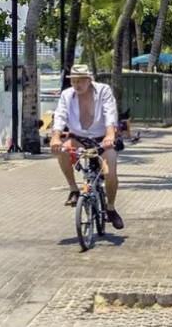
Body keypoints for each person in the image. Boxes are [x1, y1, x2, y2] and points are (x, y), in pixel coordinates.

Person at [49, 65, 125, 230]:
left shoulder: (103, 91)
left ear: (89, 80)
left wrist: (110, 135)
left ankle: (110, 208)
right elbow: (60, 115)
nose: (77, 85)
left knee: (110, 172)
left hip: (101, 140)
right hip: (78, 138)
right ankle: (73, 189)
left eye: (80, 81)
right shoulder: (67, 95)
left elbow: (110, 113)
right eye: (74, 81)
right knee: (61, 151)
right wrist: (55, 137)